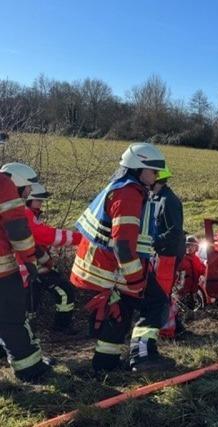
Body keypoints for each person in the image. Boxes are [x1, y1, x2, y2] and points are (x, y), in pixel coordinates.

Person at [71, 142, 174, 373]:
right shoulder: (128, 193)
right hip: (113, 268)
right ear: (138, 168)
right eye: (154, 170)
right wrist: (136, 279)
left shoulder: (123, 188)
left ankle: (105, 364)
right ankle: (144, 356)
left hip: (107, 267)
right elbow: (123, 245)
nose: (157, 175)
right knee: (156, 302)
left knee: (120, 312)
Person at [0, 162, 51, 382]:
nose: (29, 194)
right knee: (12, 319)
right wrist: (31, 260)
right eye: (27, 189)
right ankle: (30, 369)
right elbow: (18, 232)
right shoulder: (4, 184)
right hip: (2, 273)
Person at [24, 182, 82, 332]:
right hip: (29, 273)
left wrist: (47, 262)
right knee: (29, 305)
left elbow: (39, 245)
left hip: (36, 271)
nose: (41, 204)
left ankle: (60, 327)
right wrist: (81, 239)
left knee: (65, 291)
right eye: (39, 200)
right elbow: (46, 236)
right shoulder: (25, 216)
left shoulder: (31, 215)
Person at [152, 167, 185, 297]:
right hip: (162, 251)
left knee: (162, 292)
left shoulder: (169, 201)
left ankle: (165, 316)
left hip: (169, 253)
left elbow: (175, 231)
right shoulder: (159, 197)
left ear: (157, 180)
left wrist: (155, 241)